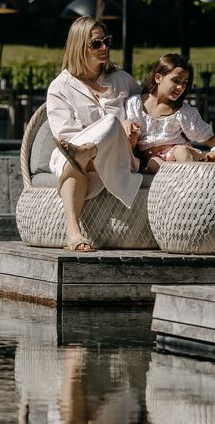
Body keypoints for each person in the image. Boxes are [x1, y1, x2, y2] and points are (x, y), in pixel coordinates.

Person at [46, 16, 143, 253]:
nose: (104, 47)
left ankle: (85, 153)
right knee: (75, 158)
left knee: (110, 124)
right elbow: (65, 135)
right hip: (72, 151)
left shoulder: (123, 80)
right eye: (96, 44)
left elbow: (143, 113)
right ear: (78, 46)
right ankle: (74, 232)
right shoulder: (60, 87)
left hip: (117, 156)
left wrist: (131, 127)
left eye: (106, 41)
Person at [125, 53, 215, 173]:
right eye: (176, 80)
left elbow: (211, 139)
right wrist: (131, 135)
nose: (180, 87)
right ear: (158, 78)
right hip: (154, 160)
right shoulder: (134, 104)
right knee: (153, 164)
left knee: (181, 151)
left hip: (181, 154)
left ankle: (198, 170)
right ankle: (204, 164)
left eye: (184, 83)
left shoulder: (183, 112)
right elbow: (129, 139)